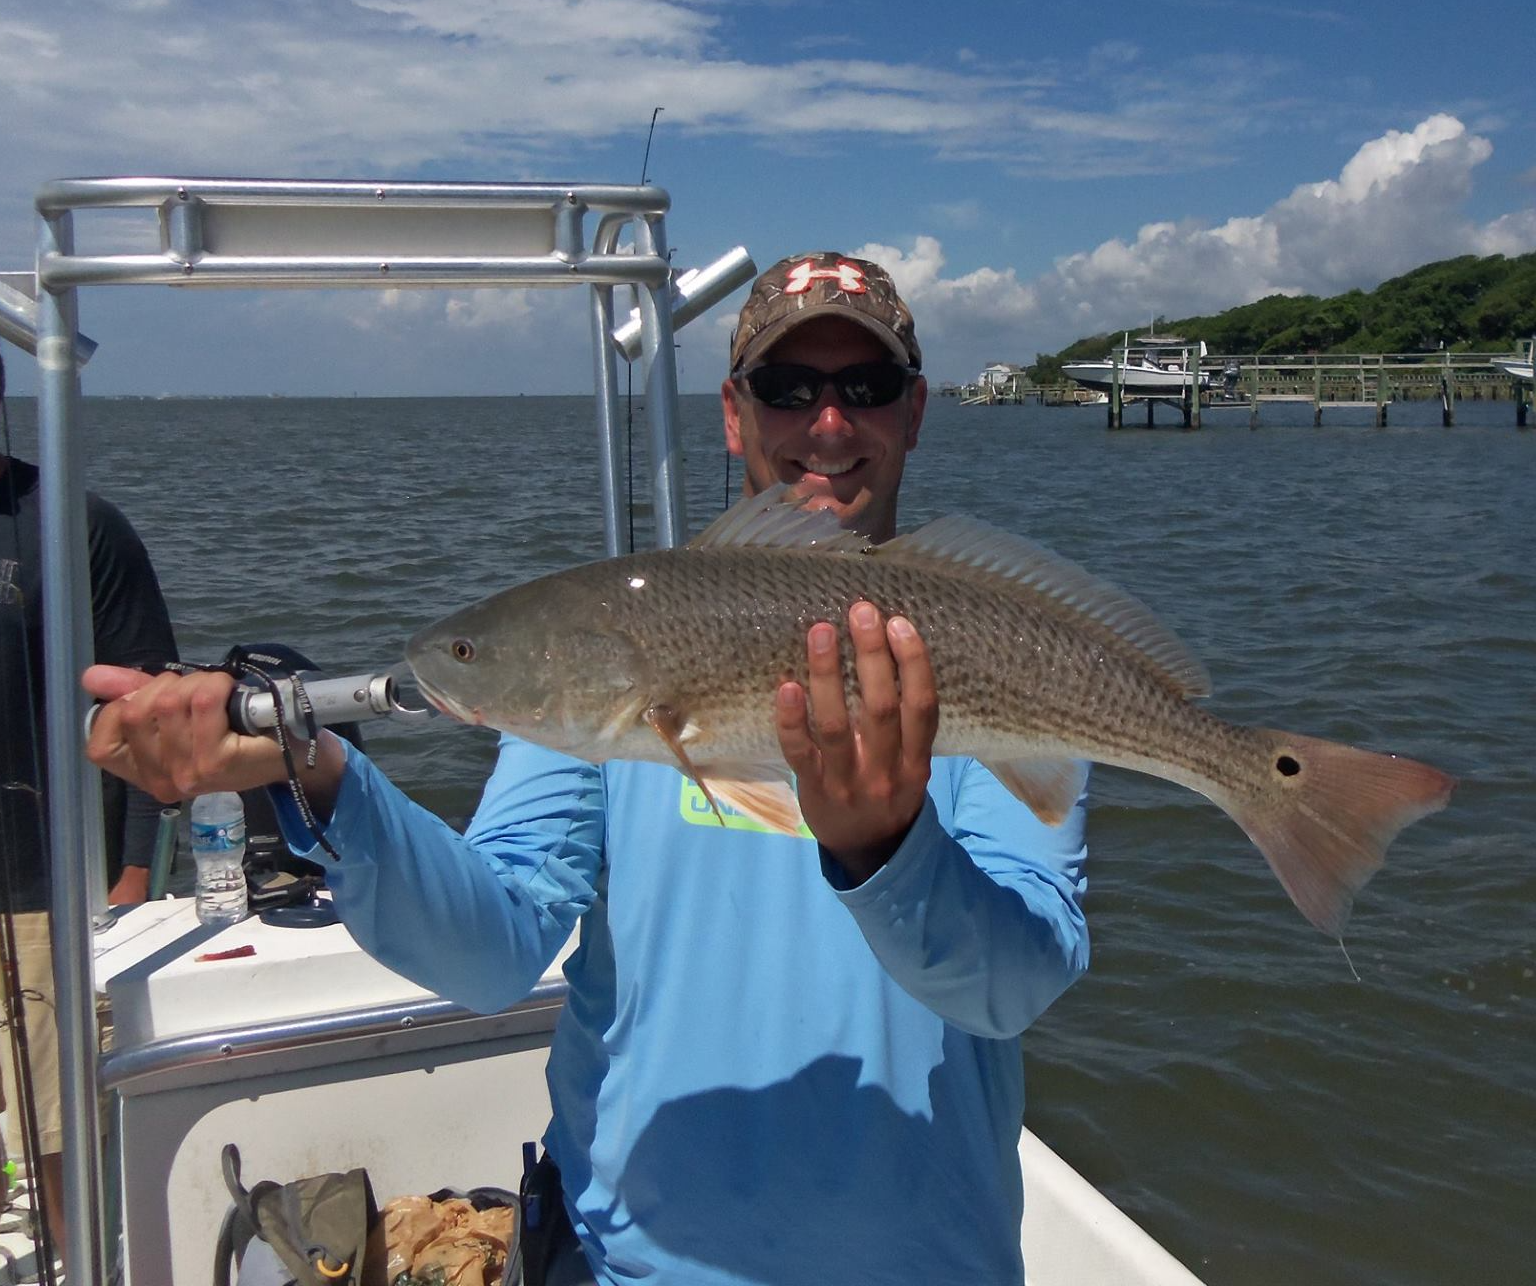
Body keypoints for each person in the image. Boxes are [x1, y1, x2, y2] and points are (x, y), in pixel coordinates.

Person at [84, 254, 1090, 1285]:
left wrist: (887, 849)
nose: (827, 425)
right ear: (734, 414)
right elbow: (493, 947)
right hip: (632, 1265)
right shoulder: (613, 670)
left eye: (864, 388)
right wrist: (319, 772)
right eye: (789, 390)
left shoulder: (983, 660)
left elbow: (1016, 985)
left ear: (915, 411)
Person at [0, 349, 180, 1267]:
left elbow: (149, 701)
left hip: (44, 885)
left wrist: (137, 863)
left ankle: (82, 1264)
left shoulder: (75, 525)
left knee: (53, 1117)